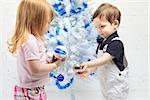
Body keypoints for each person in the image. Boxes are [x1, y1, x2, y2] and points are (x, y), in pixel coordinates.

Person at [74, 3, 129, 100]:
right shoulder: (102, 42)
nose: (99, 30)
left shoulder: (116, 43)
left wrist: (88, 64)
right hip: (106, 80)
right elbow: (99, 62)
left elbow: (104, 59)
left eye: (102, 26)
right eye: (96, 27)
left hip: (117, 83)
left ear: (115, 24)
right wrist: (89, 70)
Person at [8, 0, 61, 99]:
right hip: (31, 91)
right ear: (36, 20)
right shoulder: (29, 40)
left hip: (33, 88)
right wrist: (54, 65)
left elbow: (36, 61)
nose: (48, 26)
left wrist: (48, 61)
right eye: (47, 22)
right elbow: (35, 69)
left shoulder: (32, 39)